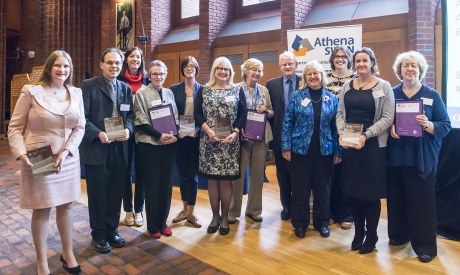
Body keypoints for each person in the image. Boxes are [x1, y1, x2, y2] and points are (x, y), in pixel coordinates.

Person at [8, 50, 84, 275]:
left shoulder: (76, 92)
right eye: (58, 66)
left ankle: (68, 253)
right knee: (42, 208)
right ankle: (41, 261)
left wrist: (67, 151)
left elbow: (79, 126)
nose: (62, 70)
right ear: (49, 67)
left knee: (66, 205)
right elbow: (14, 127)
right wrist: (21, 154)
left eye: (66, 67)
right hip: (39, 156)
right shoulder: (32, 92)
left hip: (67, 158)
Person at [387, 51, 451, 263]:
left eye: (414, 65)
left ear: (420, 69)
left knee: (421, 203)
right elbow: (385, 120)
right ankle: (399, 236)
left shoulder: (432, 95)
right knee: (397, 199)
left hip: (422, 157)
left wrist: (429, 125)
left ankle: (424, 247)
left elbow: (445, 125)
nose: (410, 69)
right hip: (396, 156)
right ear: (400, 70)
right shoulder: (392, 93)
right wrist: (390, 128)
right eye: (406, 65)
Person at [336, 47, 394, 254]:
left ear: (372, 63)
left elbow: (388, 117)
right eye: (358, 61)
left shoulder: (384, 86)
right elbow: (340, 113)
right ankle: (358, 233)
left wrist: (365, 135)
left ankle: (372, 235)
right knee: (353, 192)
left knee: (370, 194)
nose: (361, 64)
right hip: (351, 146)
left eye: (365, 61)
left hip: (373, 147)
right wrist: (342, 133)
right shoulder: (347, 86)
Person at [80, 48, 134, 253]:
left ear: (122, 66)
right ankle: (99, 235)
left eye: (117, 63)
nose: (114, 66)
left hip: (120, 148)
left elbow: (130, 117)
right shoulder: (89, 86)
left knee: (115, 192)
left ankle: (112, 231)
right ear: (101, 64)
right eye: (110, 62)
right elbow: (81, 117)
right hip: (97, 147)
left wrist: (128, 130)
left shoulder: (125, 89)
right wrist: (97, 133)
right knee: (98, 194)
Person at [281, 60, 340, 238]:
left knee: (323, 189)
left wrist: (338, 150)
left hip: (325, 151)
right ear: (305, 77)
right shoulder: (297, 96)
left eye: (316, 73)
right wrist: (286, 146)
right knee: (300, 189)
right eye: (309, 74)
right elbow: (287, 122)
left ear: (322, 76)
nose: (313, 77)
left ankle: (322, 222)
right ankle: (300, 223)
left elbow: (336, 127)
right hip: (300, 151)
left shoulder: (332, 98)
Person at [194, 57, 247, 235]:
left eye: (226, 69)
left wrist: (235, 132)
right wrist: (208, 131)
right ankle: (214, 217)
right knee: (212, 180)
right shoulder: (204, 90)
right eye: (219, 68)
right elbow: (197, 113)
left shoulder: (237, 89)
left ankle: (225, 218)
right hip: (209, 142)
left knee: (225, 181)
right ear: (214, 71)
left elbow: (242, 113)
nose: (223, 72)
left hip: (229, 143)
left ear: (231, 72)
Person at [134, 60, 178, 239]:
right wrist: (159, 136)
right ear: (148, 76)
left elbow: (174, 116)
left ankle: (163, 222)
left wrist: (175, 134)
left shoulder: (169, 93)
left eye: (161, 74)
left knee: (166, 186)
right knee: (152, 186)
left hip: (168, 146)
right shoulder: (141, 93)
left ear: (165, 75)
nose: (158, 77)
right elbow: (141, 119)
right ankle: (153, 226)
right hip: (149, 145)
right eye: (154, 74)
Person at [228, 58, 273, 224]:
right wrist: (238, 130)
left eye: (259, 70)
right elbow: (231, 113)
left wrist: (266, 110)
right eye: (254, 69)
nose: (257, 73)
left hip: (260, 139)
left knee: (256, 176)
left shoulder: (264, 91)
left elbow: (272, 112)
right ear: (246, 71)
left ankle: (254, 210)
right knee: (237, 176)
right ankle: (233, 211)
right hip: (241, 138)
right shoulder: (234, 89)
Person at [324, 46, 357, 230]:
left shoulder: (355, 79)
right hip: (328, 132)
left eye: (344, 56)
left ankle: (347, 214)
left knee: (347, 174)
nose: (340, 59)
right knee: (330, 175)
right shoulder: (325, 79)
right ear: (332, 59)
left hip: (349, 131)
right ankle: (331, 212)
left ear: (348, 59)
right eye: (337, 56)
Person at [266, 51, 301, 220]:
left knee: (300, 175)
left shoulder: (305, 81)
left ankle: (299, 207)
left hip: (302, 138)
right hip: (280, 138)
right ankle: (286, 206)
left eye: (290, 64)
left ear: (296, 65)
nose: (287, 67)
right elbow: (270, 111)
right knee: (283, 175)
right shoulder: (271, 85)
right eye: (284, 64)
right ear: (280, 66)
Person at [170, 56, 203, 228]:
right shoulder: (173, 89)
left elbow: (204, 114)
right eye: (186, 66)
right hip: (180, 139)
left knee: (193, 176)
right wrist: (176, 130)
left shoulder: (203, 90)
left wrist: (197, 130)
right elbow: (170, 113)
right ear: (182, 69)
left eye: (192, 66)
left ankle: (191, 212)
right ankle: (183, 209)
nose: (189, 68)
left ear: (196, 69)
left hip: (196, 139)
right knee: (182, 175)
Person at [118, 47, 149, 228]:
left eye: (138, 57)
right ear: (126, 59)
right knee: (126, 171)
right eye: (131, 56)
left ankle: (139, 210)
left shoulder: (147, 80)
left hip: (144, 131)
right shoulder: (120, 81)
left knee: (142, 172)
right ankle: (128, 209)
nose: (135, 59)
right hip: (125, 131)